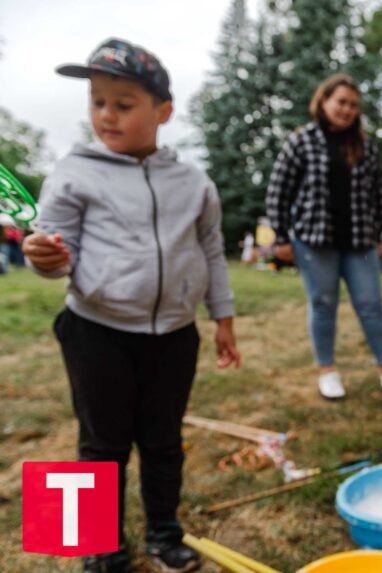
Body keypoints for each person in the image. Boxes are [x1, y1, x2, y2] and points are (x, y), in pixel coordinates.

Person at [22, 38, 241, 573]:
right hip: (95, 329)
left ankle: (165, 534)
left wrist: (223, 319)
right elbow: (51, 251)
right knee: (100, 442)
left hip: (173, 333)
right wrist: (42, 257)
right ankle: (94, 546)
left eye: (123, 104)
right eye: (97, 101)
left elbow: (211, 249)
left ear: (163, 111)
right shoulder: (73, 171)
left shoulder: (194, 182)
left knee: (164, 439)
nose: (106, 115)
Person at [265, 73, 382, 400]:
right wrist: (280, 237)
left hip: (359, 241)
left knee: (371, 304)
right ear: (324, 101)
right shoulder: (301, 141)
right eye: (341, 102)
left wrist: (378, 233)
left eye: (353, 105)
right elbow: (279, 191)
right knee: (322, 304)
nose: (346, 110)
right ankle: (328, 371)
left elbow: (379, 194)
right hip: (315, 242)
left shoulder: (364, 145)